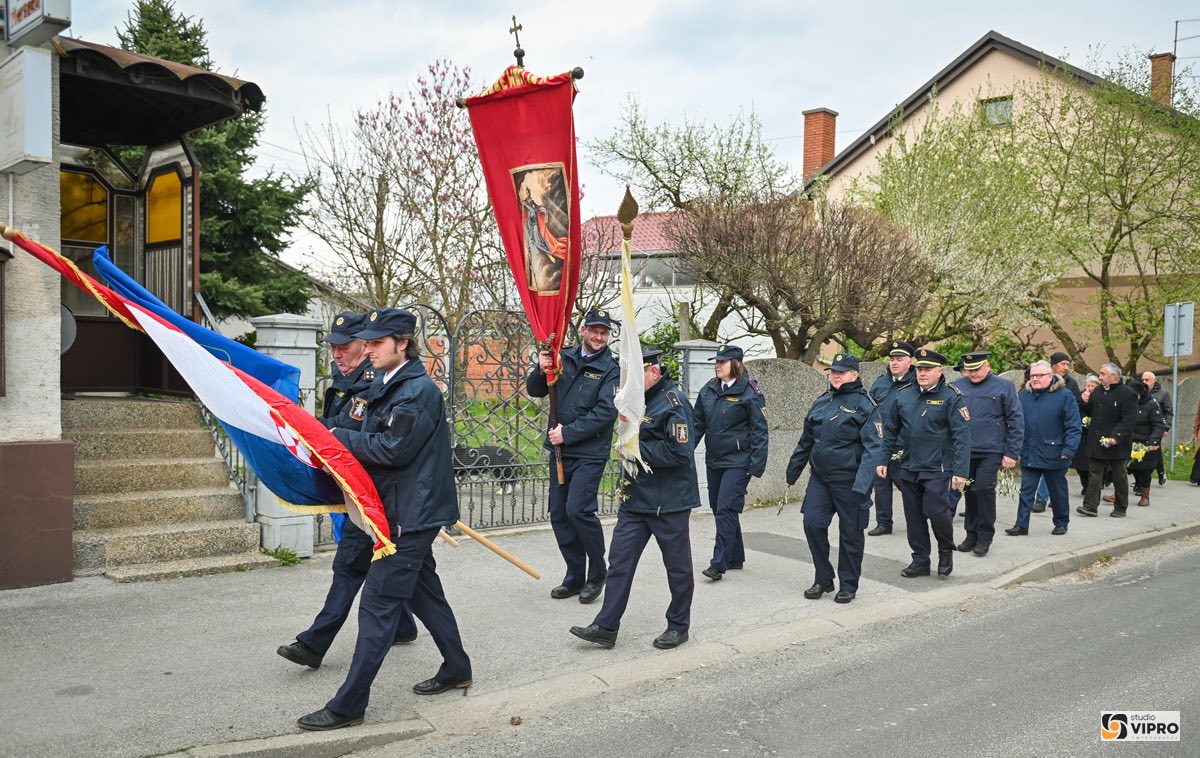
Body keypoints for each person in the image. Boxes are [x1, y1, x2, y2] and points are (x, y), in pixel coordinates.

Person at [298, 308, 471, 731]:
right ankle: (457, 667)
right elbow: (362, 427)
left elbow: (394, 449)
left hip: (408, 516)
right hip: (395, 509)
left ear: (403, 344)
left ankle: (349, 705)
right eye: (368, 342)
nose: (368, 349)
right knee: (425, 593)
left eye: (377, 343)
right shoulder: (384, 383)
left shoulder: (417, 392)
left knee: (377, 605)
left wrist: (338, 439)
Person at [277, 312, 418, 673]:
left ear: (364, 345)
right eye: (334, 348)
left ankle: (314, 644)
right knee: (409, 570)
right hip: (364, 491)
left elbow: (348, 432)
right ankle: (407, 627)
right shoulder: (344, 382)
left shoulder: (371, 384)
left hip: (376, 493)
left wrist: (314, 428)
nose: (337, 355)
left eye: (345, 347)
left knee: (350, 565)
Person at [569, 349, 700, 650]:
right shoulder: (634, 401)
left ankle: (679, 626)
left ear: (653, 372)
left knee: (677, 568)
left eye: (636, 375)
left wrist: (637, 452)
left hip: (668, 501)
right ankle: (606, 626)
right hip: (636, 499)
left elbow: (680, 453)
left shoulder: (673, 404)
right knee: (620, 562)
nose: (629, 381)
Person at [526, 309, 620, 605]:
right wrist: (541, 369)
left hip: (589, 451)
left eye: (604, 333)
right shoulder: (563, 356)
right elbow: (536, 390)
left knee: (579, 509)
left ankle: (597, 573)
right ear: (584, 330)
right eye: (595, 330)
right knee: (559, 513)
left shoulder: (612, 369)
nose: (599, 337)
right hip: (559, 451)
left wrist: (569, 433)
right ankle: (575, 575)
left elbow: (606, 412)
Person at [786, 353, 881, 604]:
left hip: (850, 482)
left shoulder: (865, 405)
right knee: (812, 524)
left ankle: (848, 584)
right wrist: (793, 470)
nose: (835, 376)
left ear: (855, 375)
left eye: (841, 372)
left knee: (850, 534)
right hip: (820, 479)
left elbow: (874, 448)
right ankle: (823, 578)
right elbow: (807, 439)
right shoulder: (822, 401)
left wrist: (862, 484)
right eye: (832, 372)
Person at [879, 349, 971, 579]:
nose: (922, 373)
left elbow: (962, 436)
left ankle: (945, 550)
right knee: (914, 515)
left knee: (936, 511)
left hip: (938, 467)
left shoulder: (952, 396)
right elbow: (890, 431)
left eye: (928, 369)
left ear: (939, 372)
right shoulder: (903, 394)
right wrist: (882, 460)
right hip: (909, 465)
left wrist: (960, 472)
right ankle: (920, 560)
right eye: (919, 369)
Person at [693, 343, 768, 581]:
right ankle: (735, 555)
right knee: (719, 508)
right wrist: (683, 454)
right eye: (716, 362)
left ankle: (719, 564)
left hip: (738, 460)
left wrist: (756, 464)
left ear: (735, 364)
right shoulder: (709, 390)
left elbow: (760, 430)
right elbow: (696, 425)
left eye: (722, 362)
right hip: (715, 458)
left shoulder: (750, 392)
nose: (717, 365)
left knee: (726, 507)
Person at [952, 352, 1023, 557]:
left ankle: (985, 535)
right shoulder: (959, 385)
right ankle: (971, 534)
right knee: (970, 492)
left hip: (991, 449)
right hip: (965, 450)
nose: (973, 374)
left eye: (977, 369)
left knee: (983, 489)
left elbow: (1016, 420)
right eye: (970, 370)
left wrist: (1011, 452)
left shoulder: (1003, 386)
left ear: (988, 366)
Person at [1008, 360, 1081, 536]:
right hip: (1029, 452)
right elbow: (1016, 423)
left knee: (1058, 492)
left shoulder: (1065, 396)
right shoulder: (1024, 395)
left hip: (1055, 454)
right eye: (1032, 375)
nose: (1035, 379)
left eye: (1039, 375)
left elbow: (1074, 426)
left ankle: (1061, 522)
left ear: (1050, 376)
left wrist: (1068, 450)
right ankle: (1021, 525)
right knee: (1026, 492)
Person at [867, 340, 916, 537]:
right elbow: (869, 410)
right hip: (881, 443)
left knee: (908, 486)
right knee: (881, 485)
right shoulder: (880, 383)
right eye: (892, 359)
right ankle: (883, 522)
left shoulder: (915, 383)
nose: (894, 363)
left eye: (899, 359)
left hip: (905, 445)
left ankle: (918, 518)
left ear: (910, 362)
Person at [1077, 363, 1138, 519]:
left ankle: (1120, 507)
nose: (1100, 377)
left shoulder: (1128, 394)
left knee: (1119, 475)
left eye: (1103, 374)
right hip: (1097, 440)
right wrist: (1084, 401)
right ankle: (1090, 506)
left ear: (1113, 377)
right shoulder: (1098, 391)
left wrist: (1116, 437)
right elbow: (1090, 411)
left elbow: (1129, 419)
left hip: (1117, 442)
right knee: (1094, 474)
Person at [1033, 352, 1084, 511]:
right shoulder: (1036, 380)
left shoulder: (1071, 384)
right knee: (1045, 469)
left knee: (1053, 470)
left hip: (1059, 434)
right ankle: (1048, 498)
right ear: (1053, 365)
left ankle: (1044, 499)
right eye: (1063, 364)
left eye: (1068, 365)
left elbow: (1076, 409)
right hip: (1040, 432)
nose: (1066, 368)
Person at [1126, 381, 1165, 507]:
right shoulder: (1127, 403)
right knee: (1121, 469)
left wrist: (1153, 441)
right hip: (1128, 441)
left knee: (1144, 471)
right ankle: (1118, 494)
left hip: (1145, 442)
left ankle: (1145, 496)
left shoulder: (1152, 405)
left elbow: (1158, 425)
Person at [1141, 372, 1172, 486]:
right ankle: (1141, 479)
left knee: (1155, 451)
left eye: (1147, 380)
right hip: (1143, 427)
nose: (1144, 382)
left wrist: (1166, 427)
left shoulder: (1163, 394)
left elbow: (1169, 412)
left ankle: (1161, 472)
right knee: (1141, 452)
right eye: (1143, 380)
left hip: (1156, 427)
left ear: (1154, 381)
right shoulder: (1140, 393)